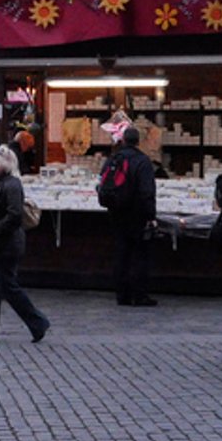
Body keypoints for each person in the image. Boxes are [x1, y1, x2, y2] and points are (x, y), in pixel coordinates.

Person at [0, 145, 49, 344]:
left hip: (6, 243)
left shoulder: (12, 185)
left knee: (7, 287)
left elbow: (14, 214)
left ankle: (38, 321)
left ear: (5, 165)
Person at [97, 126, 158, 307]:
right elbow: (147, 192)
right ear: (138, 141)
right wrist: (151, 215)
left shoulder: (113, 159)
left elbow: (102, 182)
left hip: (116, 213)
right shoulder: (142, 161)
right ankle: (139, 295)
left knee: (121, 253)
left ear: (122, 140)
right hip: (137, 214)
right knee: (140, 255)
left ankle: (122, 295)